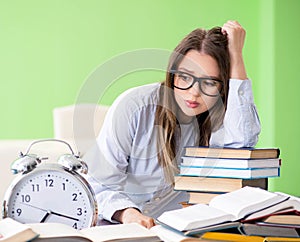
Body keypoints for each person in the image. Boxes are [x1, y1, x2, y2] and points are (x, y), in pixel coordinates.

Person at [84, 20, 261, 229]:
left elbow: (243, 143)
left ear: (223, 86)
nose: (193, 92)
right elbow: (98, 185)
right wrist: (128, 214)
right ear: (172, 74)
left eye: (210, 82)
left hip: (179, 231)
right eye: (185, 77)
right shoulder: (134, 106)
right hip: (121, 227)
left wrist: (236, 57)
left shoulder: (218, 117)